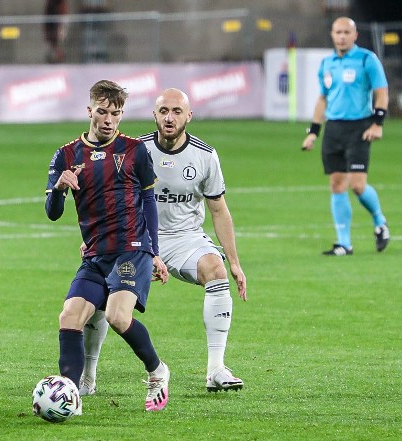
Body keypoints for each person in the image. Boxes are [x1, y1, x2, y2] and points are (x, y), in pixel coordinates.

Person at [80, 88, 247, 396]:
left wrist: (234, 262)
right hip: (135, 236)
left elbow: (218, 209)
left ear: (189, 117)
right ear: (154, 115)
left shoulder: (205, 156)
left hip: (185, 238)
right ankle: (88, 376)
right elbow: (104, 195)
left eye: (177, 112)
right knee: (102, 296)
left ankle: (216, 369)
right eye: (164, 111)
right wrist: (95, 236)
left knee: (216, 270)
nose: (170, 118)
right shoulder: (132, 150)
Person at [45, 80, 171, 412]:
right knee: (69, 316)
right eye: (102, 112)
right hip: (95, 254)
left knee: (117, 316)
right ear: (90, 111)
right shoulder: (67, 155)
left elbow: (148, 200)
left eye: (116, 114)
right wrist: (59, 188)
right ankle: (70, 394)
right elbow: (53, 213)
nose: (109, 120)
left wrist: (154, 251)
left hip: (131, 248)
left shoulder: (134, 151)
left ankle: (157, 371)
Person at [301, 16, 390, 256]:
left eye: (346, 32)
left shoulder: (366, 59)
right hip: (334, 129)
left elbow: (382, 93)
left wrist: (378, 123)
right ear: (332, 34)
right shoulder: (327, 63)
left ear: (354, 35)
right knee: (337, 183)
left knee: (358, 185)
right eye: (337, 32)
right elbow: (322, 99)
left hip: (359, 128)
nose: (341, 36)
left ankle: (380, 221)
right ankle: (344, 244)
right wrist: (313, 132)